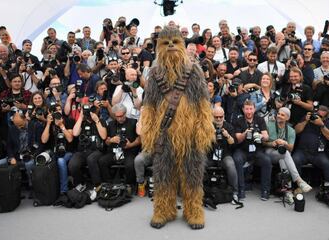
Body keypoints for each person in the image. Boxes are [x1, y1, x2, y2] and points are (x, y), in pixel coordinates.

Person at [141, 26, 214, 229]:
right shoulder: (155, 74)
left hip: (190, 136)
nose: (171, 46)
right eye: (166, 43)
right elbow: (149, 106)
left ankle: (194, 211)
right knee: (163, 176)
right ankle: (164, 210)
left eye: (175, 42)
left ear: (183, 45)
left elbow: (203, 104)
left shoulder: (194, 71)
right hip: (164, 136)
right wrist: (148, 133)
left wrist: (203, 130)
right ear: (158, 47)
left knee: (193, 176)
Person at [293, 106, 329, 203]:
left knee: (327, 164)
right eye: (317, 115)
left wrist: (321, 125)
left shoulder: (328, 123)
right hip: (302, 151)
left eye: (320, 116)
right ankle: (298, 186)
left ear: (325, 117)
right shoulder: (306, 118)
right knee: (295, 160)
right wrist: (305, 121)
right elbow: (296, 130)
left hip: (318, 153)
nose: (317, 118)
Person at [264, 107, 312, 203]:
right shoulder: (270, 125)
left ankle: (288, 191)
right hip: (269, 152)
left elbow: (291, 148)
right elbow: (263, 143)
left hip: (283, 154)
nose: (279, 116)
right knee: (285, 154)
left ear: (287, 118)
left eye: (282, 115)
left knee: (284, 155)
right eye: (278, 114)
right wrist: (272, 143)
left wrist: (285, 143)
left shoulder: (291, 130)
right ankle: (298, 181)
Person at [232, 99, 271, 200]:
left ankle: (265, 190)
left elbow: (266, 137)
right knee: (237, 159)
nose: (249, 111)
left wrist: (260, 136)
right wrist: (245, 133)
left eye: (250, 109)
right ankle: (241, 189)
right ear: (243, 110)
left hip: (256, 150)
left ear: (254, 109)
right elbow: (238, 139)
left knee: (267, 161)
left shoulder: (259, 119)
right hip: (242, 149)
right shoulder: (238, 121)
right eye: (247, 109)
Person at [69, 99, 107, 191]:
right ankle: (80, 183)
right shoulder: (81, 122)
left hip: (96, 150)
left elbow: (104, 136)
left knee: (91, 159)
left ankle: (97, 185)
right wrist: (81, 117)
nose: (89, 112)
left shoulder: (100, 121)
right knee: (72, 164)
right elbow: (75, 133)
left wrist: (96, 120)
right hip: (83, 150)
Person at [99, 104, 140, 185]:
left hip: (129, 151)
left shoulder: (133, 122)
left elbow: (140, 139)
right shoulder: (111, 124)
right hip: (114, 151)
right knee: (102, 161)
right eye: (117, 116)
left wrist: (131, 145)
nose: (120, 118)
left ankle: (130, 185)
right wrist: (111, 140)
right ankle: (108, 184)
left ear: (125, 113)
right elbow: (106, 141)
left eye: (121, 116)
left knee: (130, 164)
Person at [41, 104, 74, 196]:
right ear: (51, 113)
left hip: (68, 151)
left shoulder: (69, 121)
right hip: (53, 151)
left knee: (60, 161)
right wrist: (48, 124)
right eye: (55, 110)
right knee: (42, 159)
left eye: (59, 109)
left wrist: (62, 125)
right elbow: (44, 140)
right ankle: (49, 191)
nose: (58, 112)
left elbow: (70, 139)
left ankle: (63, 190)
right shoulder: (49, 123)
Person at [208, 106, 238, 201]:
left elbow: (233, 144)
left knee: (231, 165)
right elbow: (201, 144)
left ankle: (234, 192)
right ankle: (197, 191)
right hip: (210, 155)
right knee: (199, 165)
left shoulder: (228, 126)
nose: (218, 119)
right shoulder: (208, 126)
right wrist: (210, 136)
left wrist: (227, 136)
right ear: (212, 117)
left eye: (220, 117)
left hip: (224, 154)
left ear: (224, 116)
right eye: (216, 117)